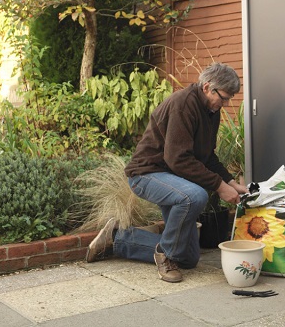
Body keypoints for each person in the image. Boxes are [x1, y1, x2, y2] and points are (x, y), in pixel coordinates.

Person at [85, 62, 247, 283]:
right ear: (207, 87)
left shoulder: (211, 111)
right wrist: (219, 187)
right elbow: (178, 159)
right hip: (146, 174)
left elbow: (207, 156)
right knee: (195, 196)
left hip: (172, 178)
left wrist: (230, 181)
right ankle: (164, 255)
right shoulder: (182, 104)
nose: (225, 103)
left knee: (188, 259)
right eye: (224, 97)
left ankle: (117, 238)